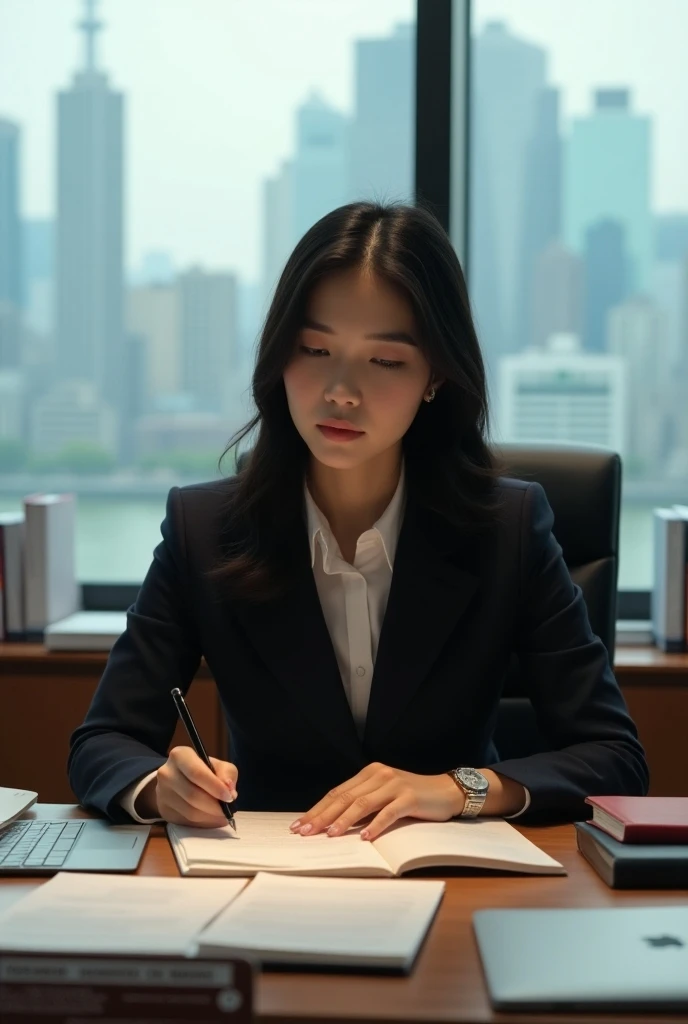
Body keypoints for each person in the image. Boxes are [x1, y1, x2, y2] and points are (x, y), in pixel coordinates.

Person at [68, 201, 648, 842]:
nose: (340, 390)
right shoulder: (202, 527)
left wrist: (459, 789)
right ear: (278, 356)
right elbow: (104, 741)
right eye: (315, 348)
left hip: (450, 880)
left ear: (435, 375)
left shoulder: (507, 528)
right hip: (262, 880)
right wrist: (159, 787)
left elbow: (614, 758)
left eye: (386, 361)